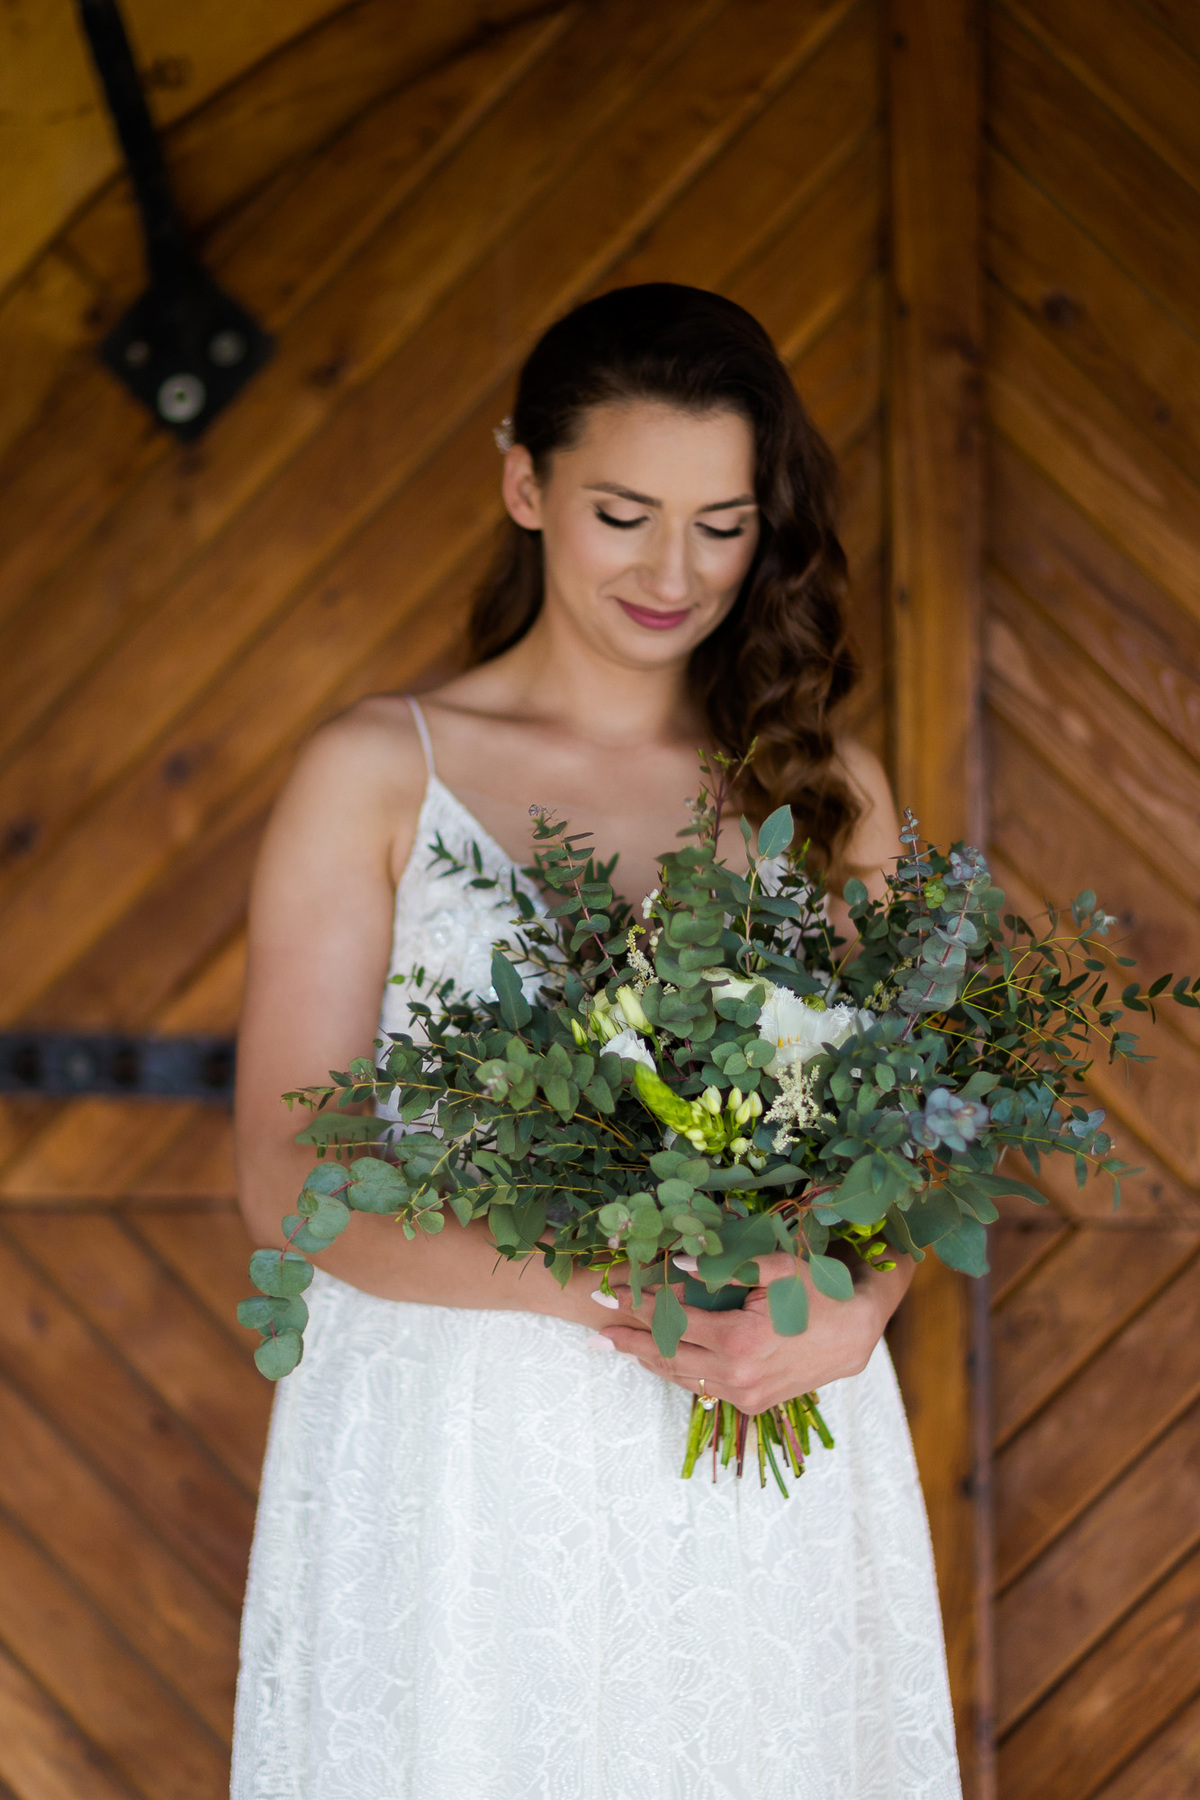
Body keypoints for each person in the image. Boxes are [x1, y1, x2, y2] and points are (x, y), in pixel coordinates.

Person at [231, 284, 961, 1798]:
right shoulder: (379, 773)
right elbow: (287, 1166)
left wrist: (854, 1306)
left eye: (723, 521)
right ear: (525, 483)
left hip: (766, 1414)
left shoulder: (831, 795)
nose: (674, 571)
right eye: (625, 511)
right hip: (462, 1451)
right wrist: (621, 1283)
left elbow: (917, 1127)